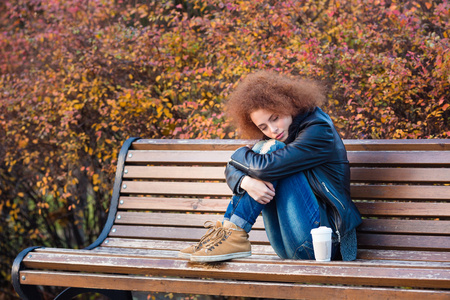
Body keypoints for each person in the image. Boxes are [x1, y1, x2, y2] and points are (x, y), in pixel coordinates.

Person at [179, 70, 362, 263]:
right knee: (262, 150)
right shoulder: (282, 134)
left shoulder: (319, 130)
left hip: (324, 244)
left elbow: (260, 166)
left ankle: (234, 232)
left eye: (275, 118)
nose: (272, 130)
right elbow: (238, 169)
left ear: (288, 104)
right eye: (263, 127)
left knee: (268, 151)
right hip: (286, 243)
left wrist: (236, 155)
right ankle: (228, 233)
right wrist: (246, 182)